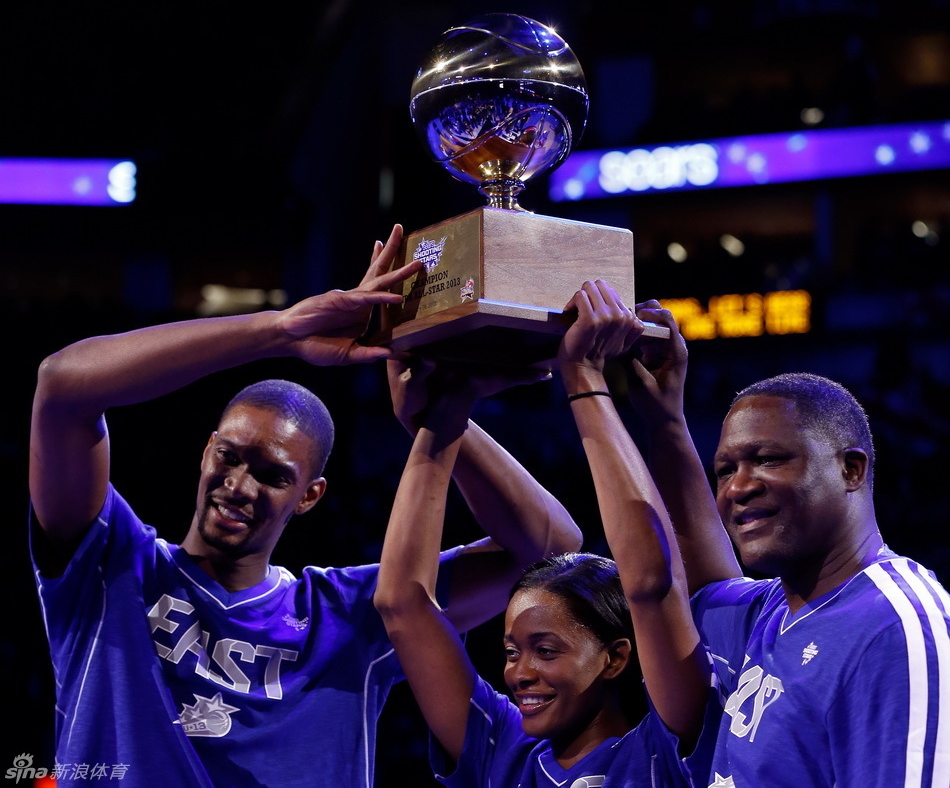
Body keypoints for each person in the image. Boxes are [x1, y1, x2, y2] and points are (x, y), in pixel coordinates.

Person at [28, 225, 582, 788]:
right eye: (229, 456)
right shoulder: (112, 567)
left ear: (309, 496)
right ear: (205, 452)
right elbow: (63, 385)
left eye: (272, 476)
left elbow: (548, 551)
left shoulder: (345, 618)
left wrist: (442, 422)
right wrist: (281, 329)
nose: (239, 485)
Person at [374, 280, 719, 788]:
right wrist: (441, 418)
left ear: (616, 657)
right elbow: (402, 603)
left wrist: (586, 380)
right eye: (512, 652)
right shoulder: (502, 749)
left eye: (546, 650)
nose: (520, 673)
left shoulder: (670, 747)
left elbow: (652, 582)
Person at [625, 300, 950, 788]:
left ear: (850, 469)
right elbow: (701, 579)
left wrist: (585, 393)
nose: (737, 487)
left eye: (770, 459)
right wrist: (663, 419)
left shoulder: (896, 625)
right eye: (725, 470)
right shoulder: (772, 609)